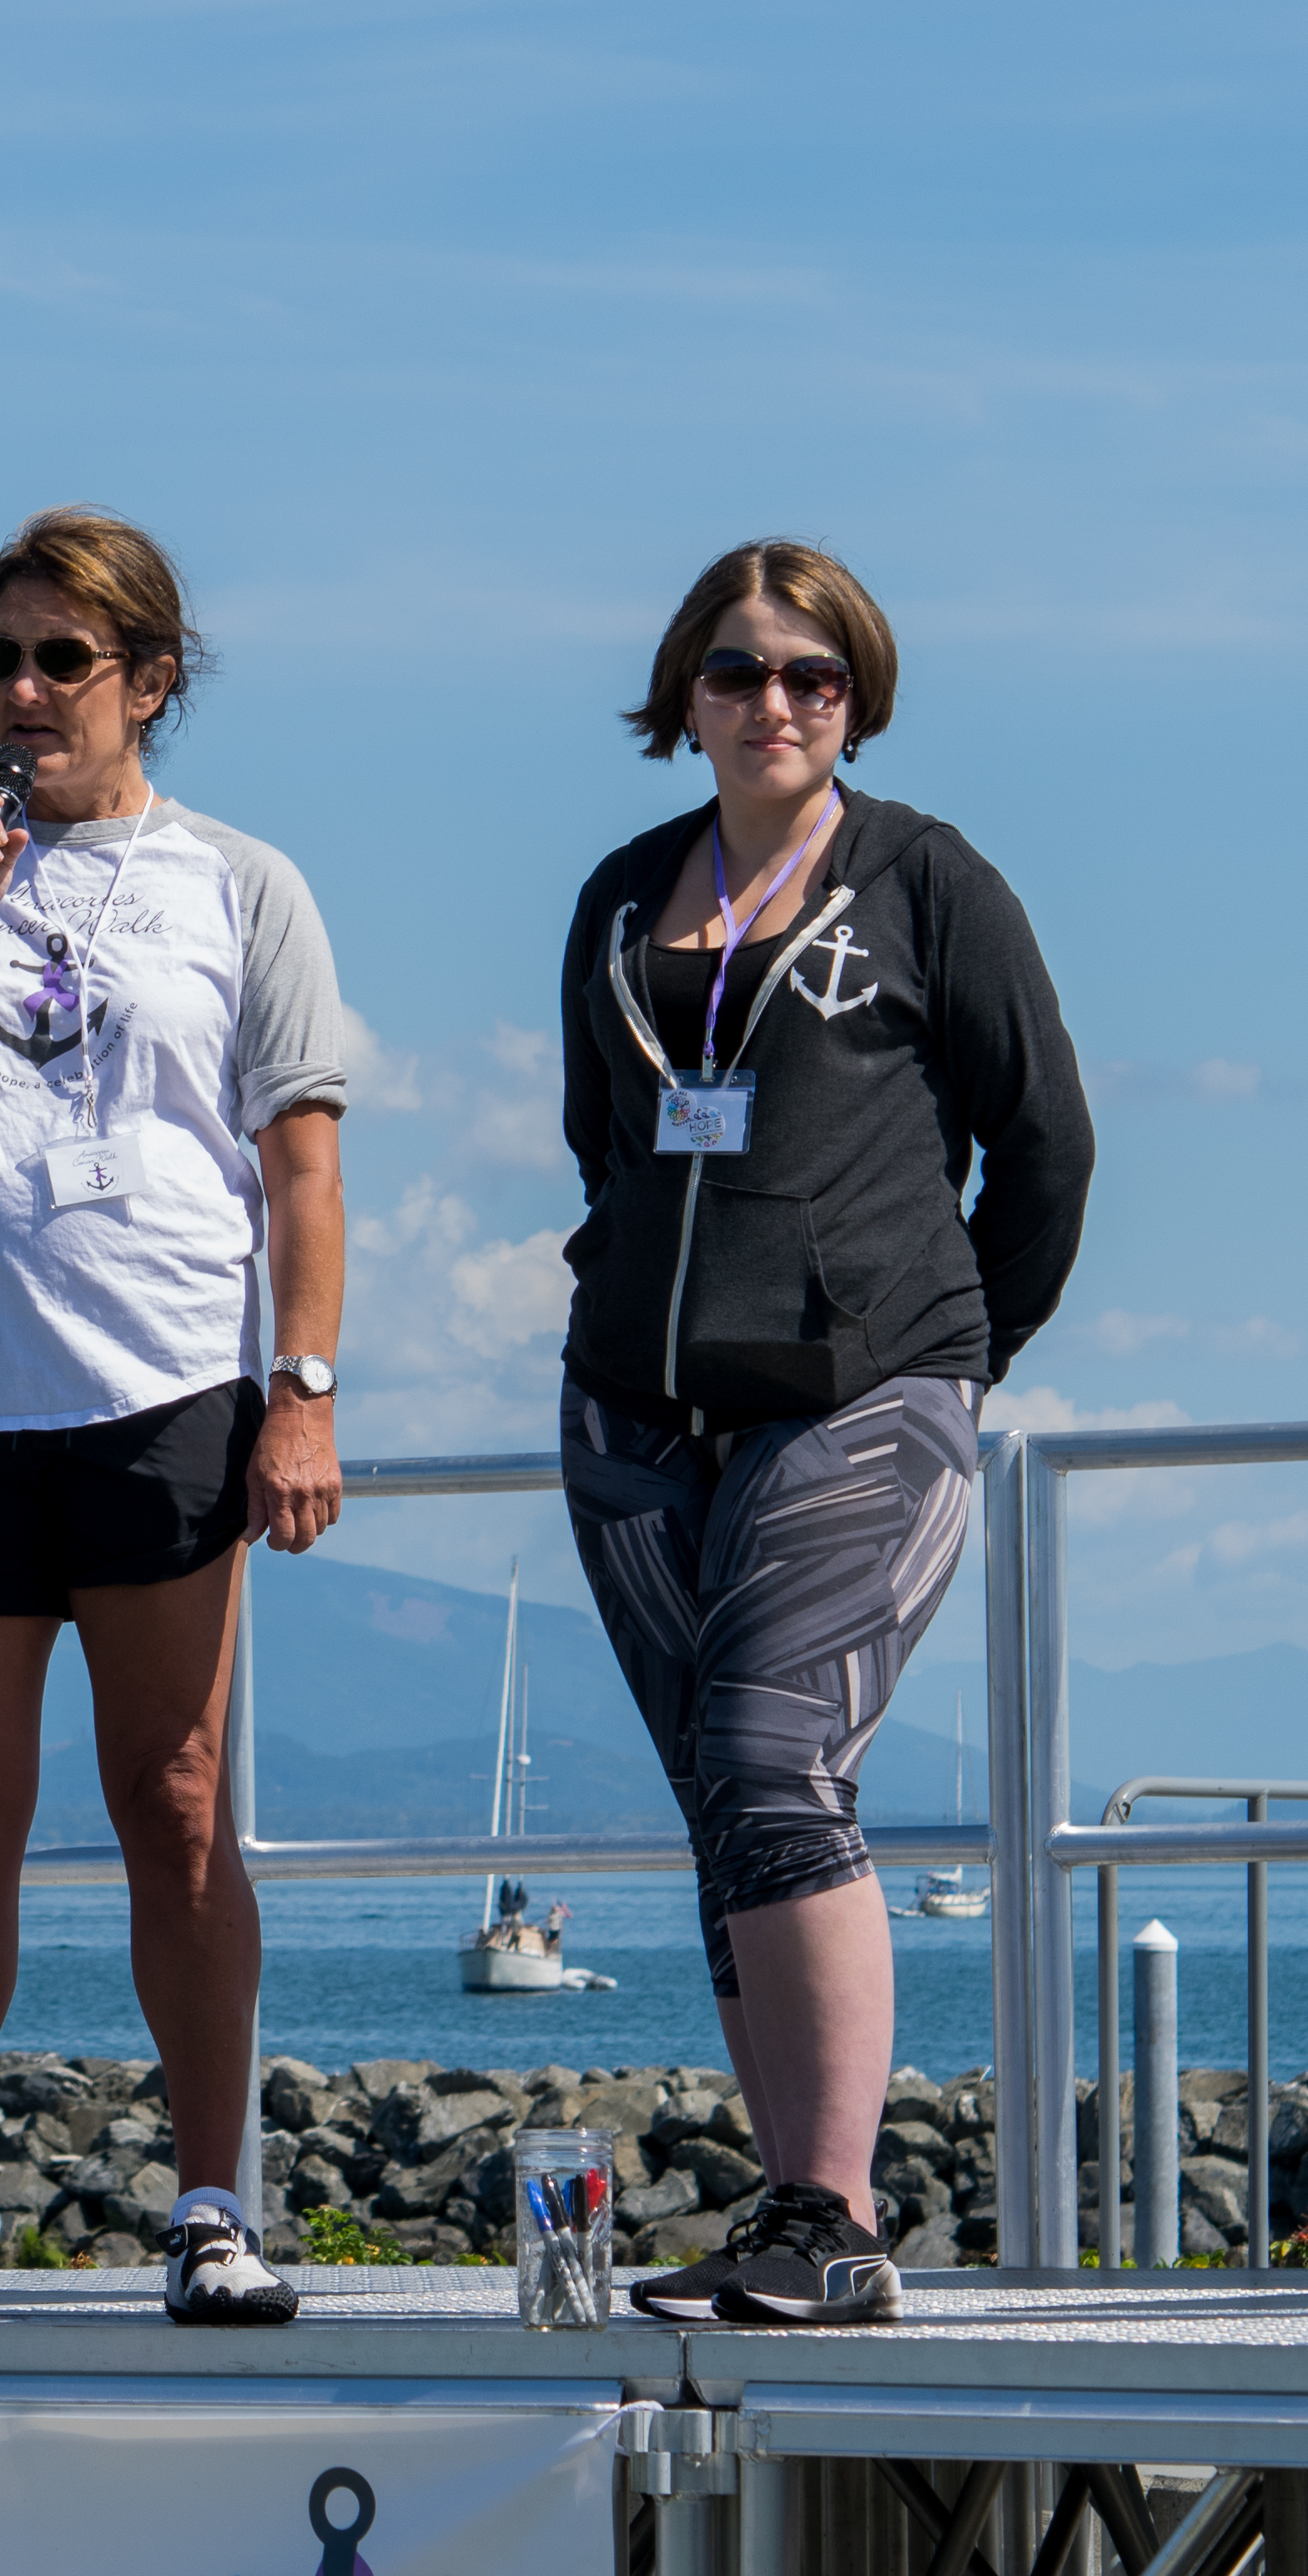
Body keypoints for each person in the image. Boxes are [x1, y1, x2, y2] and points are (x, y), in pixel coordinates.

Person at [0, 507, 345, 2325]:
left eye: (62, 659)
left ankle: (212, 2201)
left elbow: (301, 1163)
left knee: (174, 1805)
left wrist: (302, 1391)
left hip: (162, 1390)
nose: (22, 692)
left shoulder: (241, 882)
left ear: (149, 682)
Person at [558, 540, 1094, 2326]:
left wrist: (953, 1354)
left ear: (854, 695)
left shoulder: (925, 880)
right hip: (642, 1416)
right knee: (730, 1803)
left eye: (812, 674)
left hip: (868, 1389)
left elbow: (1048, 1149)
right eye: (736, 671)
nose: (773, 702)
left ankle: (841, 2213)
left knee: (779, 1754)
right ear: (683, 696)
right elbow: (605, 1150)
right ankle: (791, 2205)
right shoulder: (627, 899)